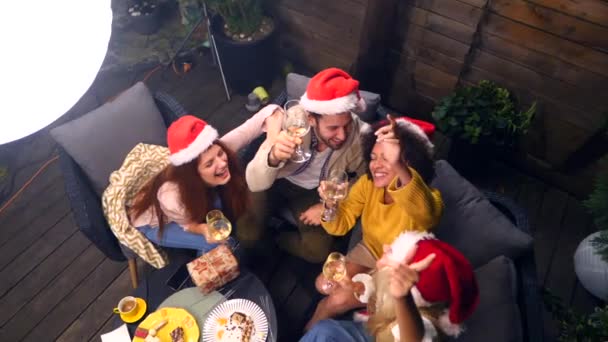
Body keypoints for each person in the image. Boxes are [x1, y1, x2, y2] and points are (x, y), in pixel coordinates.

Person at [305, 116, 444, 329]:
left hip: (396, 267)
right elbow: (341, 224)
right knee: (323, 284)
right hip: (369, 250)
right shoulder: (366, 185)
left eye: (387, 158)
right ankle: (360, 304)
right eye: (373, 156)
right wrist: (330, 206)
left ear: (409, 163)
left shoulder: (428, 198)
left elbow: (428, 214)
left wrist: (398, 166)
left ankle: (308, 332)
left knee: (334, 301)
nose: (376, 165)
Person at [245, 67, 370, 263]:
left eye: (346, 125)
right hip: (276, 180)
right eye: (333, 128)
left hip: (312, 191)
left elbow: (366, 180)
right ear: (311, 119)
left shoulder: (359, 136)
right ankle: (262, 240)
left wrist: (326, 204)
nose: (342, 135)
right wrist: (274, 156)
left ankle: (278, 239)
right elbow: (254, 181)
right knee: (247, 235)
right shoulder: (295, 121)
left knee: (318, 252)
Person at [128, 106, 282, 256]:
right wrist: (203, 229)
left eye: (220, 154)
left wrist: (272, 144)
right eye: (209, 164)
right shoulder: (172, 197)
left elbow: (272, 111)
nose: (222, 163)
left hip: (192, 199)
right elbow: (188, 224)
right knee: (218, 243)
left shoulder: (217, 150)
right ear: (192, 175)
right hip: (157, 223)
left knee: (220, 210)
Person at [300, 231, 480, 342]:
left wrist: (403, 299)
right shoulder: (385, 286)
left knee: (325, 332)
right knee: (324, 331)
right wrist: (352, 285)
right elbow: (373, 296)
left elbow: (413, 338)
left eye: (391, 254)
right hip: (372, 329)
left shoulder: (423, 322)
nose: (385, 248)